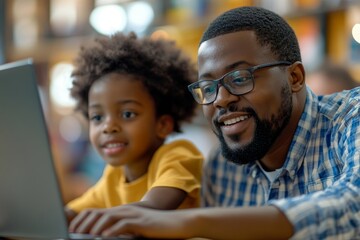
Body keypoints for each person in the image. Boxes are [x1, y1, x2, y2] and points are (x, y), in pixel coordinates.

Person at [69, 6, 360, 239]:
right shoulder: (222, 170)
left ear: (294, 77)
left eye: (240, 78)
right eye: (208, 87)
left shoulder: (349, 118)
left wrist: (188, 223)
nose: (220, 99)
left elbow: (351, 206)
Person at [65, 32, 203, 233]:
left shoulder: (178, 155)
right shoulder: (114, 176)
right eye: (97, 117)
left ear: (163, 125)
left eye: (127, 114)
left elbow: (152, 210)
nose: (108, 127)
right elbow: (70, 214)